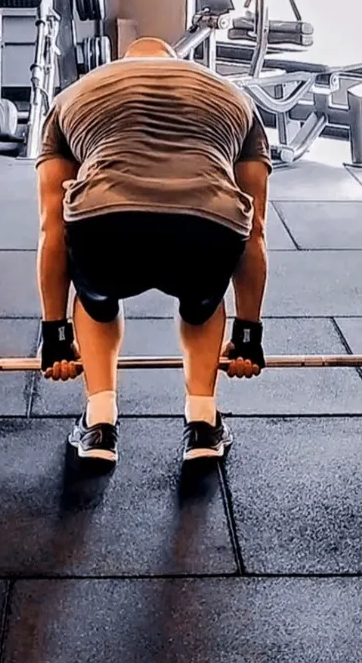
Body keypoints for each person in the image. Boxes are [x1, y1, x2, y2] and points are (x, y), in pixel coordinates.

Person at [35, 37, 271, 465]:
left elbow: (51, 227)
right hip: (207, 228)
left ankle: (100, 422)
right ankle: (202, 422)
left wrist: (55, 335)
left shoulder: (75, 95)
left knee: (96, 302)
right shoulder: (234, 97)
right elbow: (255, 230)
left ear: (122, 63)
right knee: (203, 303)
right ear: (177, 62)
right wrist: (248, 336)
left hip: (106, 224)